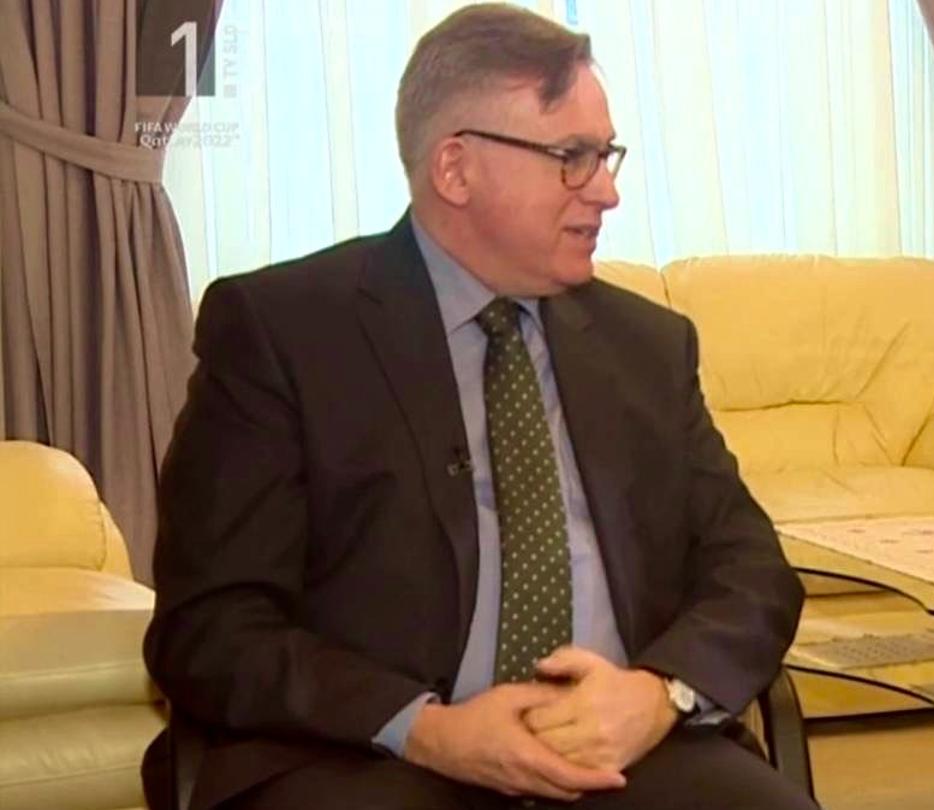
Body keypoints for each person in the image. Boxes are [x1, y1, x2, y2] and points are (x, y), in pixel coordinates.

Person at [143, 5, 810, 808]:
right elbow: (209, 626)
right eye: (572, 157)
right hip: (371, 756)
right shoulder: (283, 332)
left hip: (625, 751)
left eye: (606, 156)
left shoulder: (648, 347)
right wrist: (425, 727)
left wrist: (659, 692)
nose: (606, 192)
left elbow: (752, 569)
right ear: (455, 170)